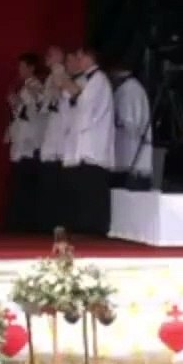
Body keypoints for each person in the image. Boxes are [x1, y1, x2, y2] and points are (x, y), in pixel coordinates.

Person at [57, 46, 116, 236]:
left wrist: (69, 87)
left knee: (93, 187)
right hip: (79, 142)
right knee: (80, 187)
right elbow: (69, 105)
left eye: (80, 57)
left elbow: (87, 106)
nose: (77, 61)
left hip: (93, 143)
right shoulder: (84, 79)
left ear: (90, 58)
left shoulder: (99, 80)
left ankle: (95, 227)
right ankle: (81, 225)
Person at [5, 52, 45, 233]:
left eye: (23, 67)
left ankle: (27, 223)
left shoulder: (36, 85)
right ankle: (18, 221)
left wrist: (18, 102)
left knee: (27, 181)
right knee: (19, 181)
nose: (19, 71)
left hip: (30, 139)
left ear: (31, 68)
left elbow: (35, 110)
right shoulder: (23, 86)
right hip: (21, 137)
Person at [36, 46, 71, 231]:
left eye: (50, 55)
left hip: (61, 132)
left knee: (57, 180)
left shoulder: (62, 74)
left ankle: (57, 222)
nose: (46, 58)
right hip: (50, 129)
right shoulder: (51, 77)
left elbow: (62, 97)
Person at [110, 63, 153, 191]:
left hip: (133, 164)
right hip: (124, 162)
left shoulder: (131, 90)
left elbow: (132, 124)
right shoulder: (122, 90)